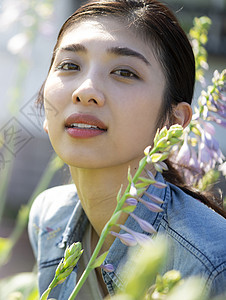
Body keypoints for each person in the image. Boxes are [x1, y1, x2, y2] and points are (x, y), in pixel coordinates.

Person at [27, 0, 226, 299]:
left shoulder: (211, 263)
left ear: (173, 122)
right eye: (70, 65)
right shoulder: (49, 217)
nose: (85, 91)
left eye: (124, 72)